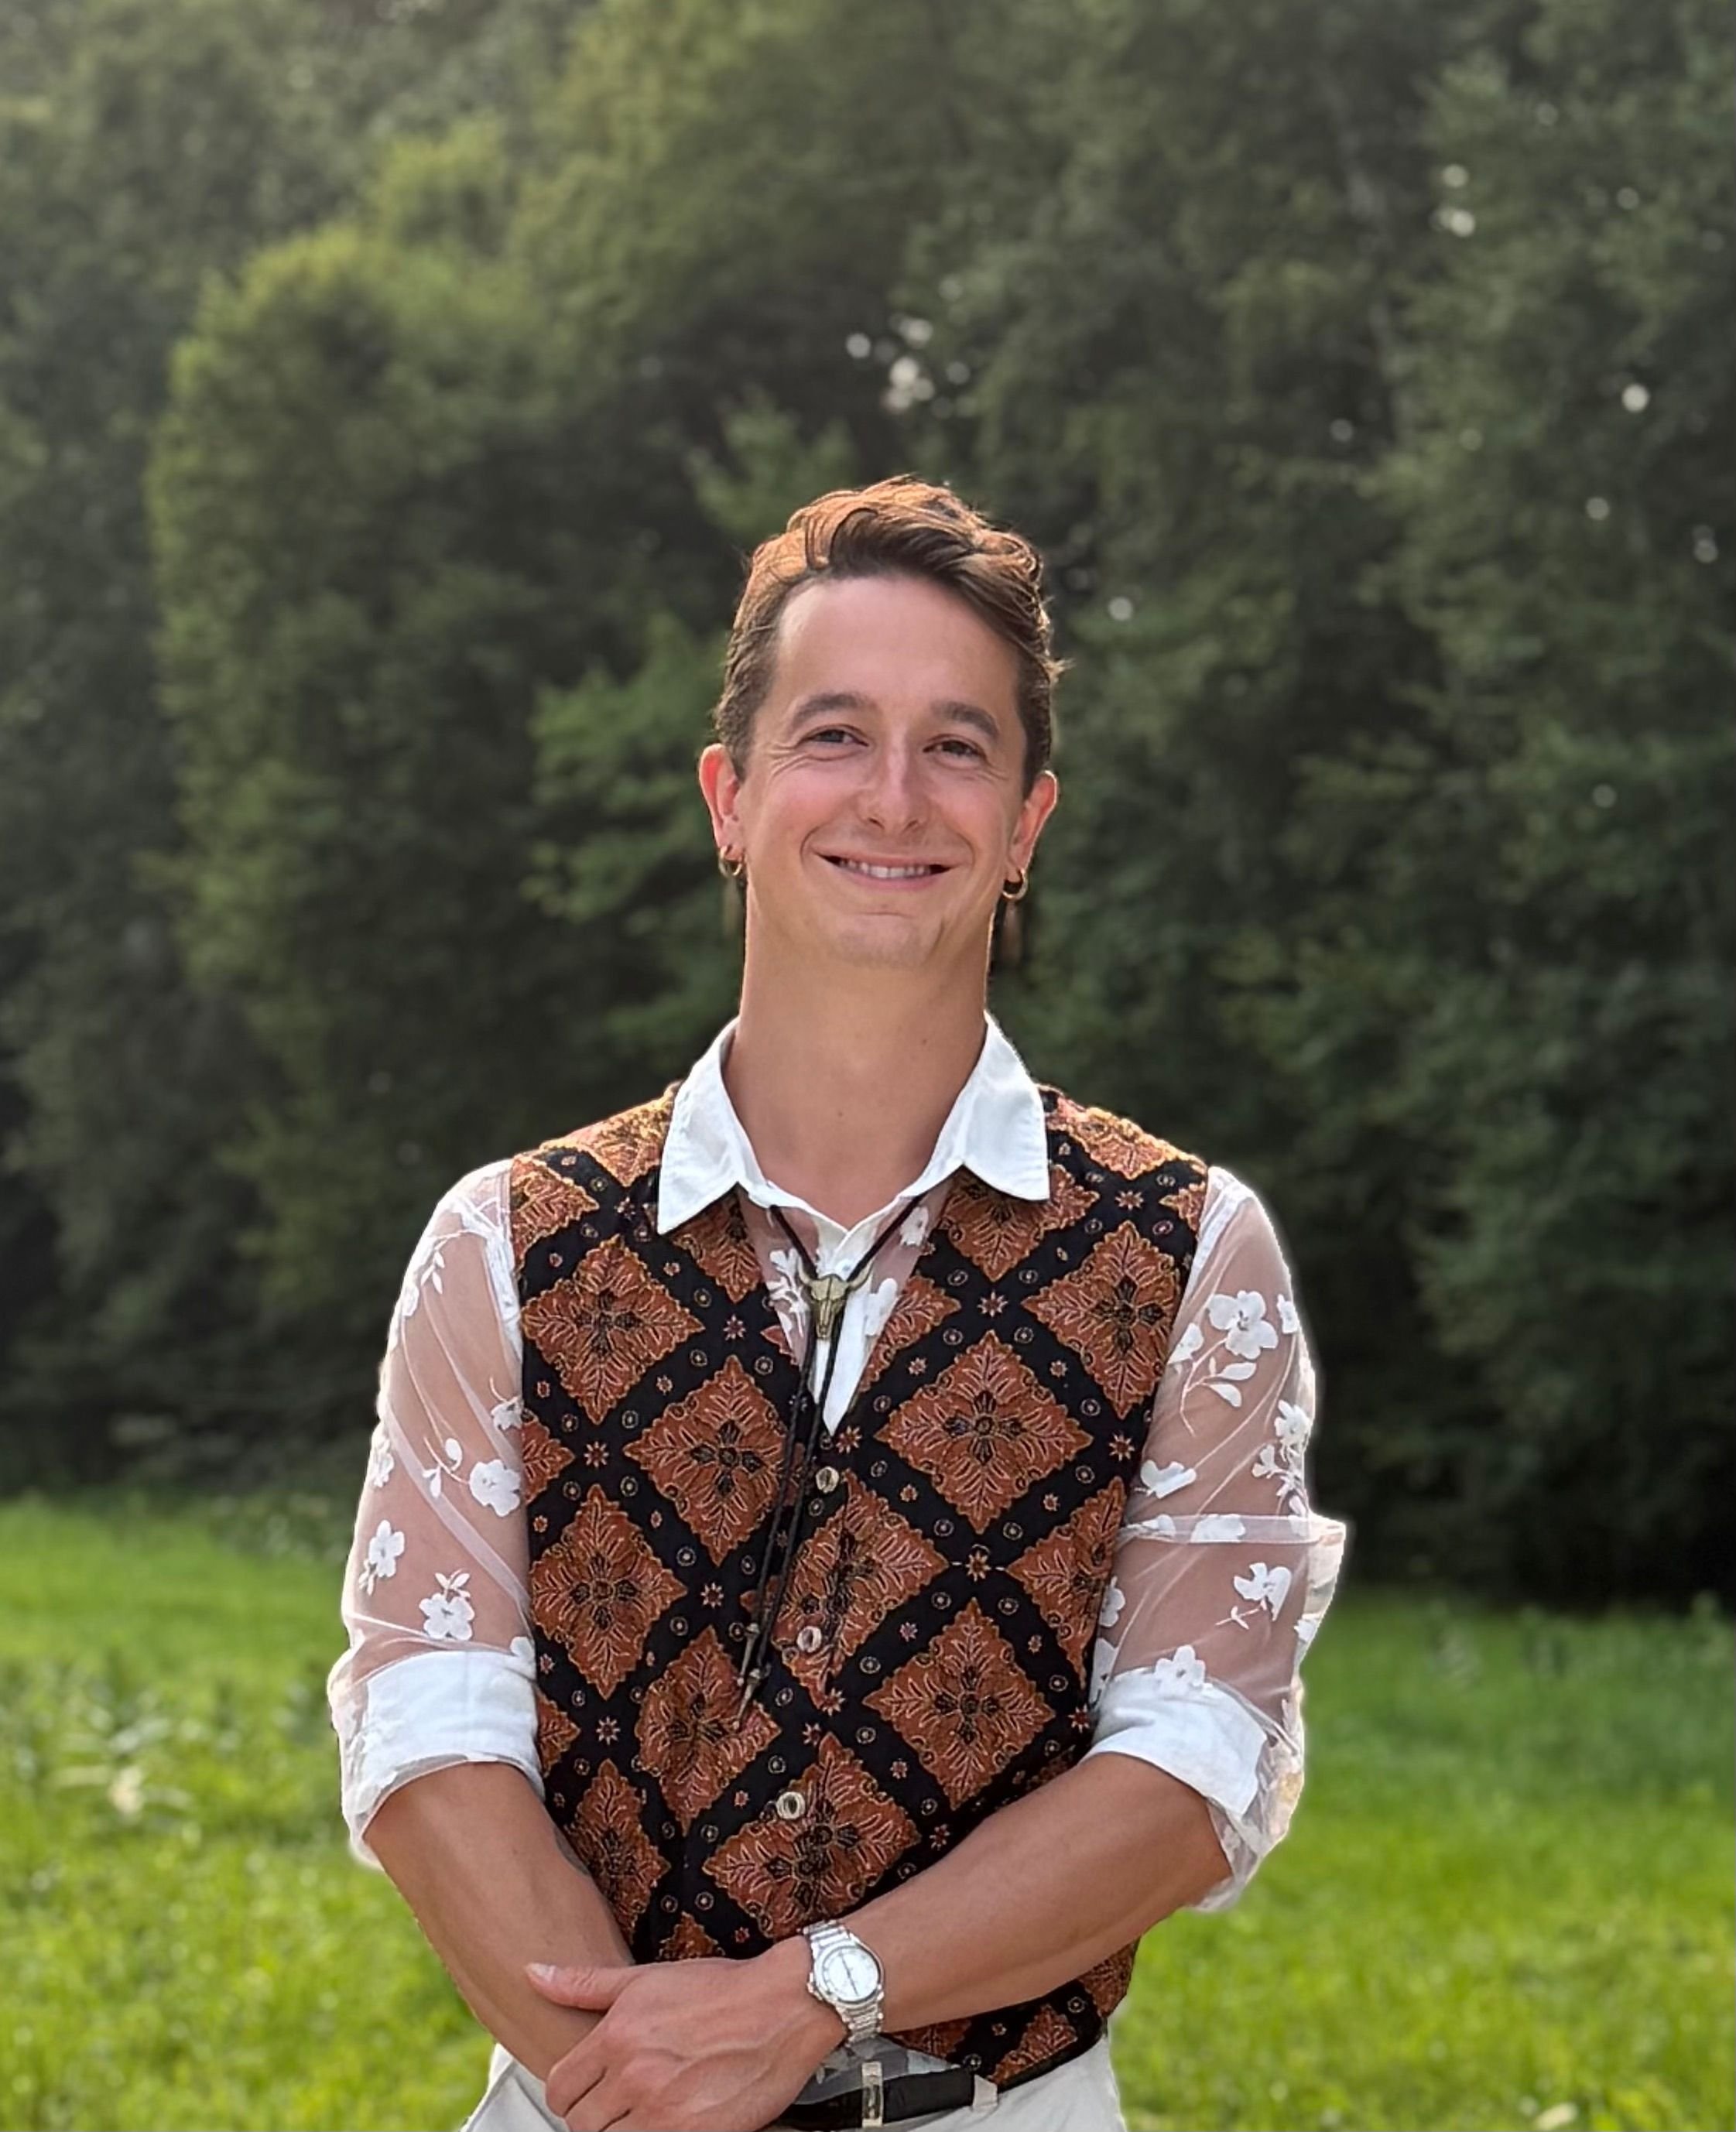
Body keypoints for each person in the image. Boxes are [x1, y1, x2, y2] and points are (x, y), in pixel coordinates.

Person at [326, 474, 1347, 2132]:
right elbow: (432, 1725)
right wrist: (638, 2086)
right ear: (730, 799)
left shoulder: (1186, 1252)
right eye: (833, 736)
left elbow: (1188, 1768)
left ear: (1025, 826)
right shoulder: (507, 1242)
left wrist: (809, 2001)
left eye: (957, 745)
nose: (894, 795)